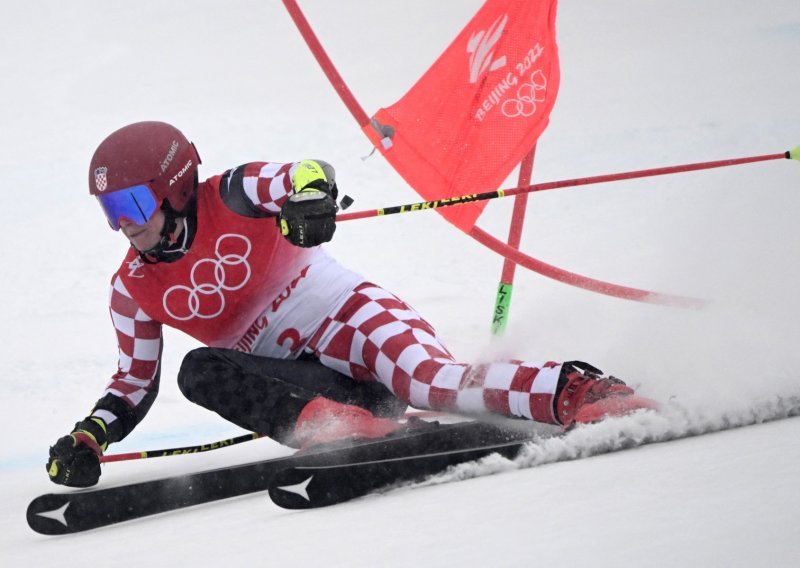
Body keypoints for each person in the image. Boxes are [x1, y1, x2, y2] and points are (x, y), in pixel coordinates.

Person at [46, 121, 656, 488]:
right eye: (110, 214)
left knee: (426, 379)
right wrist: (90, 437)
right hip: (317, 388)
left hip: (349, 316)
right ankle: (341, 432)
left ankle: (577, 389)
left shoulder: (232, 192)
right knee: (197, 370)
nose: (123, 227)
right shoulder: (131, 288)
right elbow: (133, 382)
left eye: (130, 207)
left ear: (173, 187)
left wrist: (311, 201)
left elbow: (306, 172)